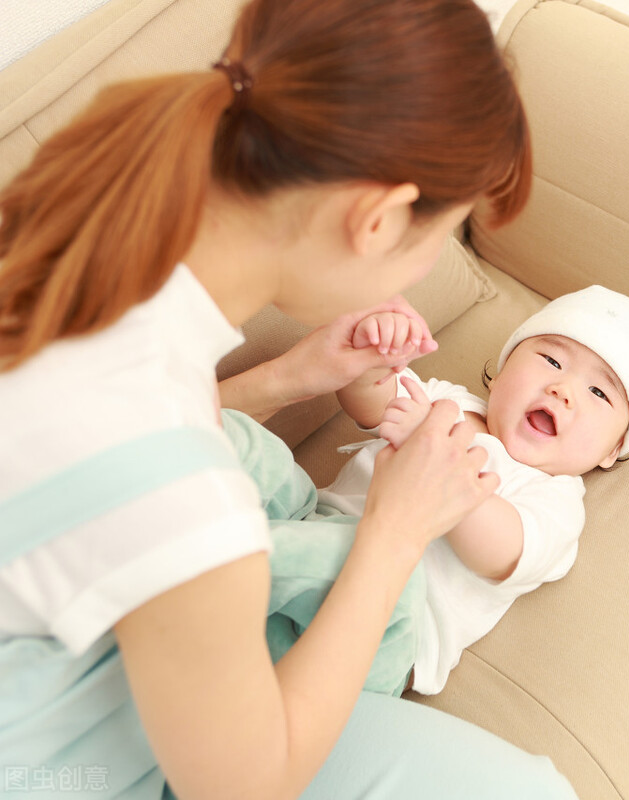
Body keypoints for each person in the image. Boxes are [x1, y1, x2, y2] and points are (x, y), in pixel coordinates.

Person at [0, 0, 582, 796]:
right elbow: (247, 785)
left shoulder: (85, 250)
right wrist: (395, 532)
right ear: (377, 221)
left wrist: (287, 379)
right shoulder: (182, 495)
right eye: (436, 239)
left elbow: (98, 457)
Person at [251, 285, 629, 696]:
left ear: (613, 449)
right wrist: (374, 353)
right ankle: (226, 523)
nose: (563, 389)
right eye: (552, 360)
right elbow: (369, 401)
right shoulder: (447, 402)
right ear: (501, 370)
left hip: (394, 622)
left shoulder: (555, 499)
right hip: (310, 520)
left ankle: (228, 557)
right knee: (257, 450)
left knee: (316, 561)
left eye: (600, 393)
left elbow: (500, 553)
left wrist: (433, 452)